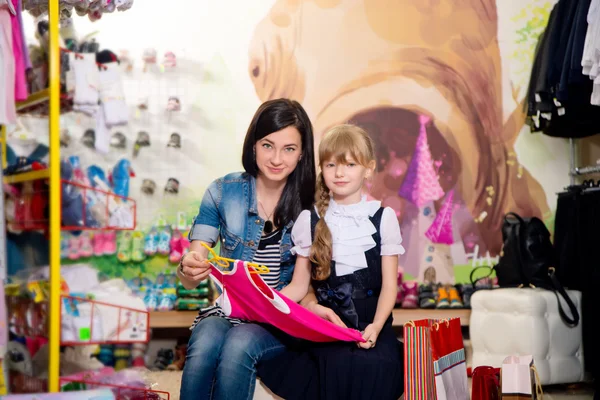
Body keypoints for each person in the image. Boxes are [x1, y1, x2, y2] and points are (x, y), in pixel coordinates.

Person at [177, 98, 344, 400]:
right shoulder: (222, 192)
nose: (277, 159)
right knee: (204, 343)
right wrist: (189, 266)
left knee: (238, 345)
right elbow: (193, 265)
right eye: (268, 145)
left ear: (302, 152)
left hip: (279, 316)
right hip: (229, 309)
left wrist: (310, 307)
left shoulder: (312, 206)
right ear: (253, 144)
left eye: (289, 149)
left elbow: (305, 283)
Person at [261, 124, 405, 400]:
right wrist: (263, 303)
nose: (339, 173)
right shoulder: (310, 220)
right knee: (335, 365)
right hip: (327, 327)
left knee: (375, 366)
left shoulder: (383, 218)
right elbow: (300, 286)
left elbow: (389, 287)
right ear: (322, 169)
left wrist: (375, 326)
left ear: (368, 168)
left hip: (373, 324)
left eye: (350, 164)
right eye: (331, 165)